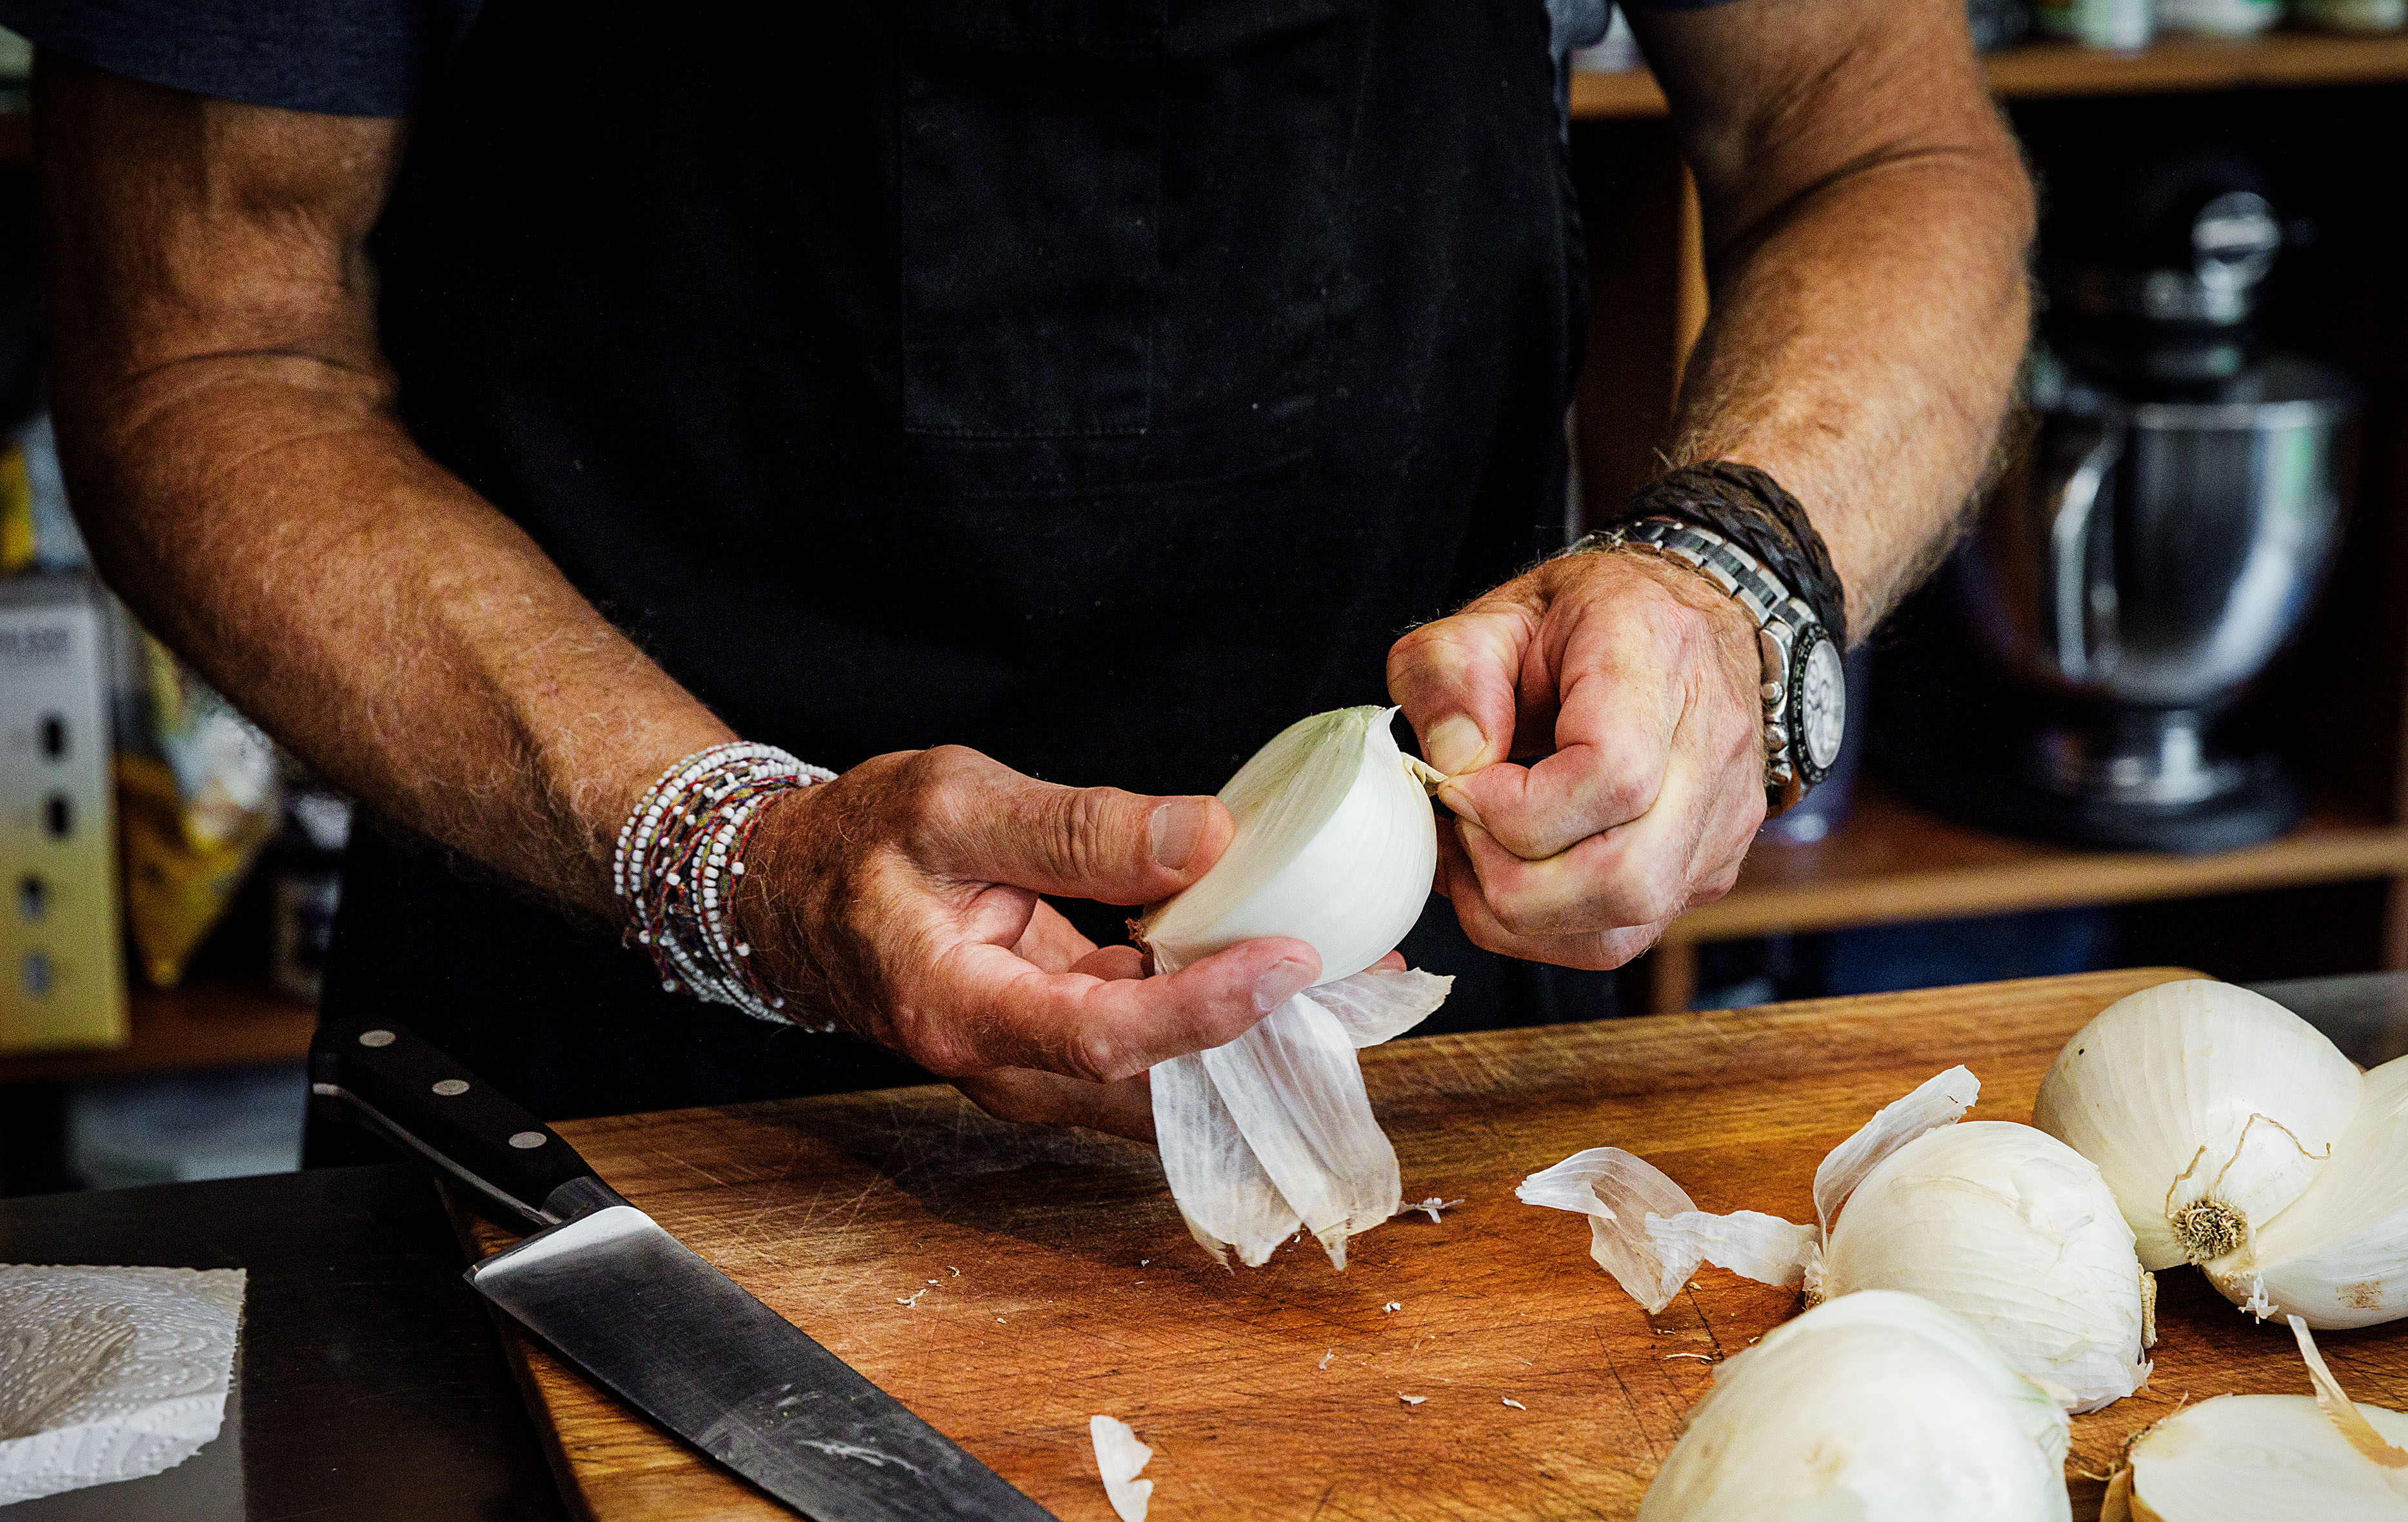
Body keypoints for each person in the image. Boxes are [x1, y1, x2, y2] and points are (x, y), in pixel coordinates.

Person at [17, 0, 2031, 1138]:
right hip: (612, 1090)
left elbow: (1875, 132)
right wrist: (726, 856)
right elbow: (209, 349)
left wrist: (1736, 568)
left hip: (1424, 1049)